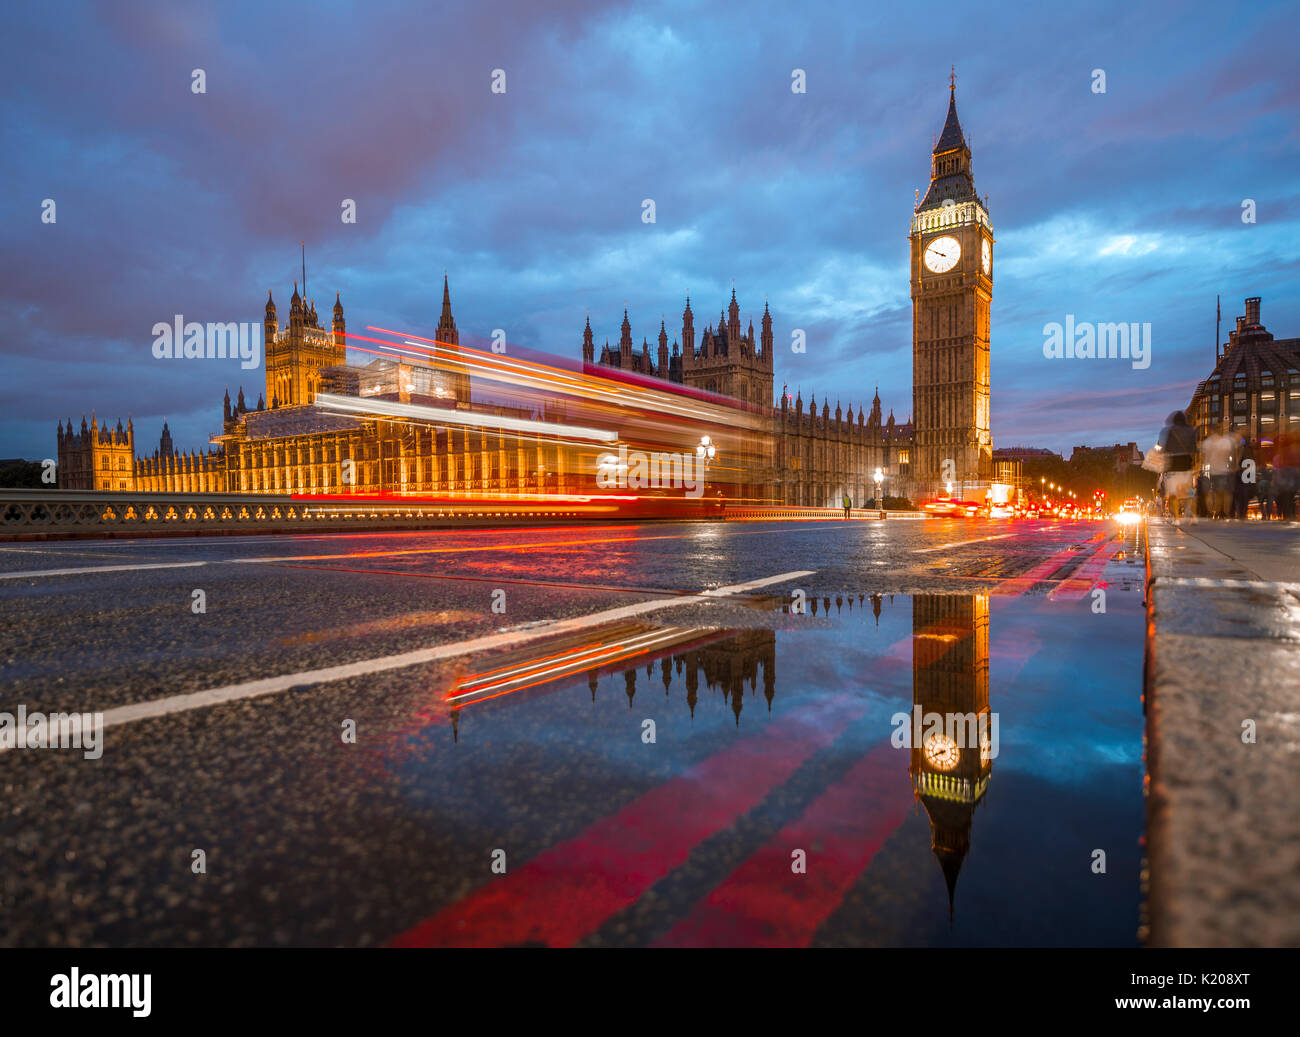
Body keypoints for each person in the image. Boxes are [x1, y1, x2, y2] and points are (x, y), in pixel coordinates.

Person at [1157, 411, 1198, 520]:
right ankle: (1192, 513)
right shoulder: (1190, 431)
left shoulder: (1170, 431)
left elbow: (1165, 450)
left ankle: (1177, 518)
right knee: (1189, 492)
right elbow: (1194, 449)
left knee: (1173, 494)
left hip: (1173, 466)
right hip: (1186, 465)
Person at [1199, 429, 1235, 519]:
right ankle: (1221, 512)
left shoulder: (1207, 443)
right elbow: (1229, 454)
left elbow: (1202, 456)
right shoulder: (1225, 442)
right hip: (1222, 471)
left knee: (1212, 493)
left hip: (1211, 471)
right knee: (1221, 493)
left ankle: (1213, 512)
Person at [1232, 436, 1256, 520]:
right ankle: (1242, 513)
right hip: (1245, 473)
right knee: (1244, 495)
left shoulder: (1238, 449)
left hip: (1241, 473)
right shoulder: (1248, 451)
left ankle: (1240, 513)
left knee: (1239, 495)